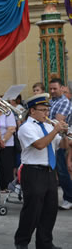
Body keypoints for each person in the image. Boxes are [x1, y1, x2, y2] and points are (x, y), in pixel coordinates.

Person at [14, 93, 65, 249]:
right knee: (32, 210)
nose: (46, 113)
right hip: (33, 172)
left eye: (47, 110)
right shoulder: (26, 128)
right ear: (32, 111)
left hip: (49, 171)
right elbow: (40, 145)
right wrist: (56, 130)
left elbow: (60, 146)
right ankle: (22, 242)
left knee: (50, 210)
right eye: (42, 110)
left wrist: (65, 135)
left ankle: (45, 243)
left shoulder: (49, 126)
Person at [48, 78, 72, 210]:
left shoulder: (65, 102)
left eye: (55, 89)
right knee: (55, 171)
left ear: (62, 88)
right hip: (50, 139)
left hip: (60, 140)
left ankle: (69, 198)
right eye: (50, 89)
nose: (52, 91)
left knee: (62, 171)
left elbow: (57, 121)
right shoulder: (50, 101)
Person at [0, 110, 17, 192]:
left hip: (7, 143)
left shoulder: (8, 112)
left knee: (7, 166)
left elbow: (11, 128)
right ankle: (1, 186)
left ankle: (8, 186)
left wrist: (3, 140)